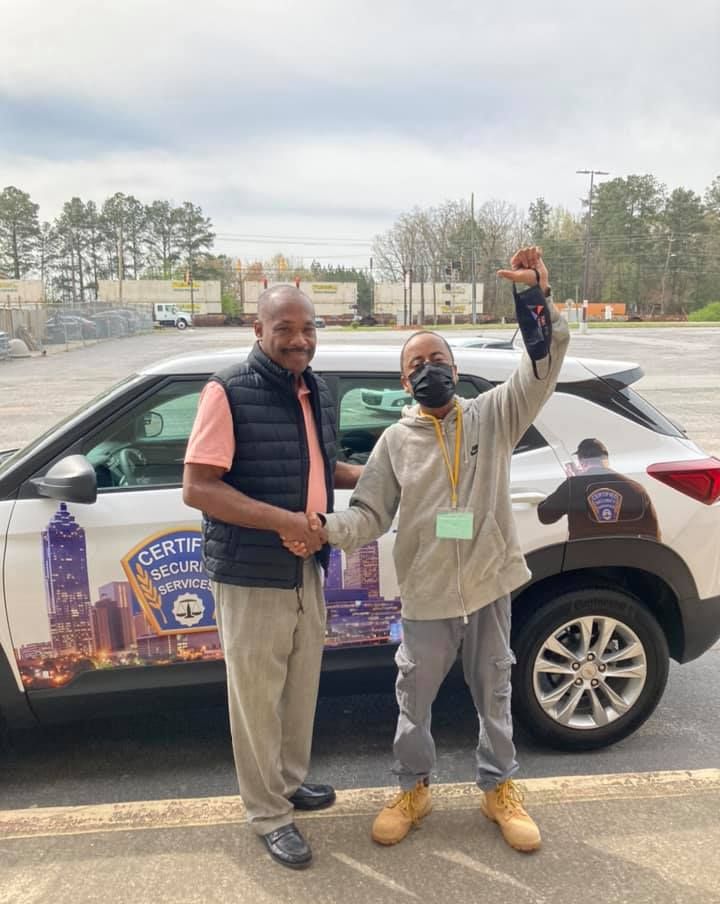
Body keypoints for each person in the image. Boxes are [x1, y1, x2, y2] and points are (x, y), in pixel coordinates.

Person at [285, 247, 569, 852]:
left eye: (437, 357)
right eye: (417, 362)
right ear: (403, 380)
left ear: (454, 365)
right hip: (428, 595)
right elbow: (369, 514)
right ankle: (412, 787)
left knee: (495, 690)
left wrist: (533, 298)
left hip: (489, 583)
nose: (428, 368)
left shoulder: (495, 415)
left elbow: (542, 368)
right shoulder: (395, 442)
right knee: (414, 699)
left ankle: (499, 790)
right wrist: (323, 528)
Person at [183, 284, 362, 870]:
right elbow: (200, 487)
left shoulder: (317, 391)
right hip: (252, 571)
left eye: (307, 328)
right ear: (257, 330)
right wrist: (288, 521)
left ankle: (287, 782)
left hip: (305, 562)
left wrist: (381, 476)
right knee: (257, 700)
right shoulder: (229, 391)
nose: (298, 339)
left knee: (299, 687)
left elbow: (318, 466)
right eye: (283, 328)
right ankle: (268, 814)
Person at [537, 437, 661, 540]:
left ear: (582, 462)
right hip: (626, 561)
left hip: (584, 561)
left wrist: (570, 483)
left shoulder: (573, 486)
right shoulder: (636, 488)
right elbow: (653, 534)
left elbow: (545, 516)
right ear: (606, 460)